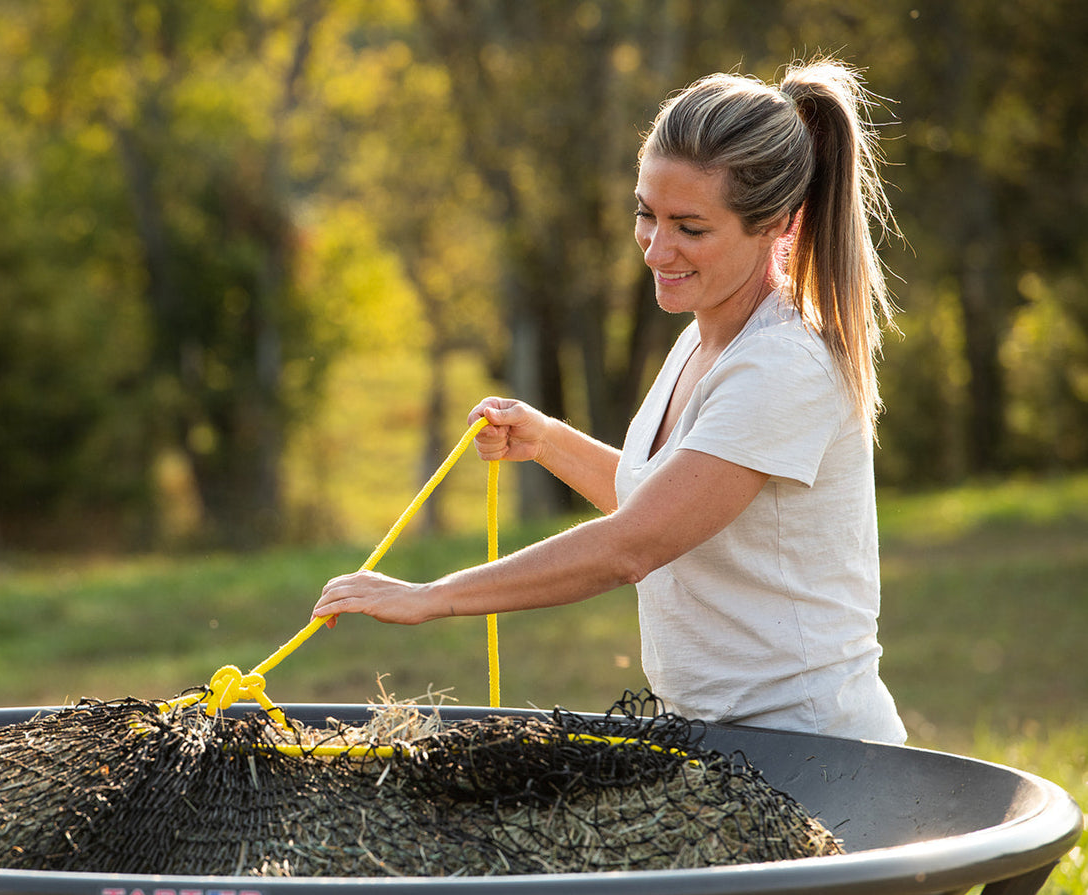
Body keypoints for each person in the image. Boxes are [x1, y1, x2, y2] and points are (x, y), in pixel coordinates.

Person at [311, 59, 908, 744]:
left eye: (690, 228)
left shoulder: (782, 365)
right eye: (645, 215)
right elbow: (667, 501)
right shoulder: (703, 338)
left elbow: (635, 545)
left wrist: (429, 598)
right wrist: (546, 442)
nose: (656, 249)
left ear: (778, 225)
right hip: (722, 743)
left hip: (815, 750)